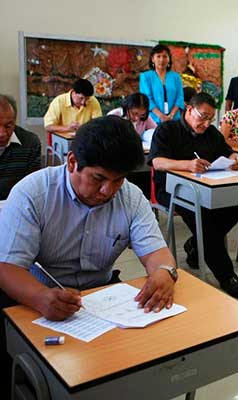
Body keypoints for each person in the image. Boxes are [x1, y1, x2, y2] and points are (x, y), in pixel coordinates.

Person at [0, 116, 178, 397]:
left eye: (118, 180)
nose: (108, 191)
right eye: (99, 179)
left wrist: (164, 272)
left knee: (136, 369)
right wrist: (41, 298)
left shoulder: (130, 197)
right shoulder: (33, 193)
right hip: (35, 296)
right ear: (72, 162)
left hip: (99, 297)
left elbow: (158, 254)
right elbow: (7, 268)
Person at [148, 93, 238, 299]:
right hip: (170, 189)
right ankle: (226, 275)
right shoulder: (167, 130)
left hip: (205, 188)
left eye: (210, 119)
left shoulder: (211, 133)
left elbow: (227, 151)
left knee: (231, 212)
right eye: (202, 116)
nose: (205, 123)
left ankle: (194, 245)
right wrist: (186, 165)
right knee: (203, 218)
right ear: (189, 109)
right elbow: (157, 162)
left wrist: (235, 158)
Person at [0, 94, 41, 200]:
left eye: (8, 126)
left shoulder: (30, 143)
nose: (2, 133)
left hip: (16, 206)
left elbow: (33, 188)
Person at [139, 44, 185, 124]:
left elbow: (180, 97)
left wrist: (171, 115)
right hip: (153, 119)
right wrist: (161, 116)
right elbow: (147, 99)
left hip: (174, 119)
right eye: (158, 56)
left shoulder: (176, 77)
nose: (161, 60)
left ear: (169, 59)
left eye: (165, 56)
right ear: (153, 59)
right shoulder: (145, 77)